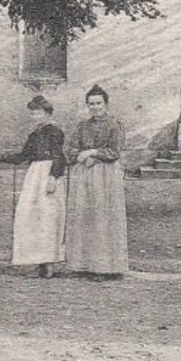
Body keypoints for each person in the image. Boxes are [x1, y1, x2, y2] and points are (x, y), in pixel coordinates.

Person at [0, 95, 67, 276]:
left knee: (48, 218)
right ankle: (38, 260)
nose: (35, 117)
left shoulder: (54, 132)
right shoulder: (34, 134)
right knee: (30, 216)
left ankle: (49, 263)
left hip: (48, 174)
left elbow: (59, 156)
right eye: (32, 113)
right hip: (34, 176)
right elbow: (23, 156)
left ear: (47, 113)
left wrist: (53, 177)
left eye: (39, 113)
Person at [66, 85, 128, 278]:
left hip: (106, 175)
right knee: (84, 216)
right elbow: (71, 149)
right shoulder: (82, 126)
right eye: (91, 104)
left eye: (99, 103)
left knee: (105, 217)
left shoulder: (114, 124)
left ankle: (107, 267)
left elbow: (115, 151)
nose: (95, 107)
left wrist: (93, 152)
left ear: (106, 104)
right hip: (84, 175)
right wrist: (80, 156)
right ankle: (83, 265)